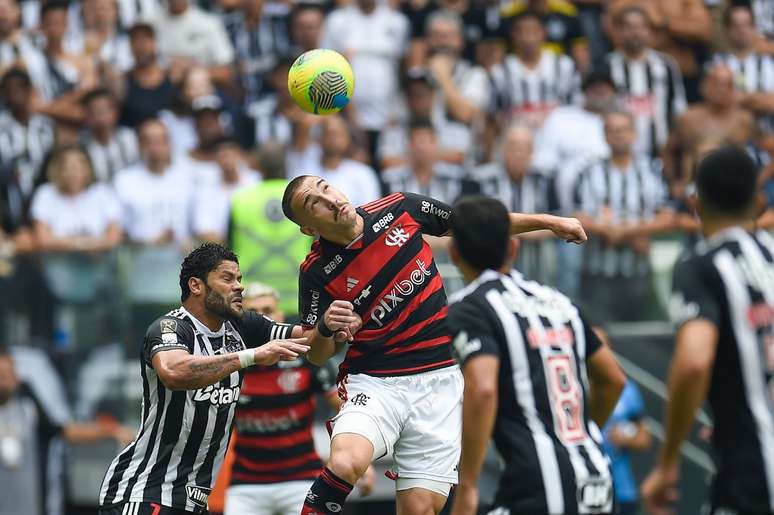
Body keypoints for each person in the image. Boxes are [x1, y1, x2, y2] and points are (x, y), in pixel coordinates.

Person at [281, 175, 587, 515]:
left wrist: (551, 222)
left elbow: (475, 227)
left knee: (420, 509)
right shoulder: (316, 271)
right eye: (314, 203)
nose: (329, 199)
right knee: (345, 462)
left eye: (325, 188)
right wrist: (326, 327)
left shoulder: (400, 208)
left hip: (441, 381)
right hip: (377, 382)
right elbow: (315, 353)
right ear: (309, 229)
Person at [98, 242, 344, 514]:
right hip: (143, 492)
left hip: (193, 502)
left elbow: (311, 341)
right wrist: (250, 356)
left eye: (239, 279)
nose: (239, 286)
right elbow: (173, 372)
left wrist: (329, 326)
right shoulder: (170, 327)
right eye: (227, 278)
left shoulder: (244, 326)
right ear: (196, 285)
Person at [444, 195, 625, 515]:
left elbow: (483, 389)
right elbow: (613, 379)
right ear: (513, 249)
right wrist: (578, 435)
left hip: (536, 487)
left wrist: (468, 484)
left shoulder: (469, 307)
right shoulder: (559, 303)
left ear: (454, 253)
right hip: (596, 481)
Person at [641, 145, 774, 515]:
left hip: (754, 474)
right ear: (758, 202)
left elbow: (693, 362)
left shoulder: (702, 266)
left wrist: (667, 463)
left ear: (696, 203)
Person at [216, 283, 372, 515]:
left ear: (279, 316)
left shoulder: (305, 358)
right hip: (246, 483)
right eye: (254, 313)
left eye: (268, 310)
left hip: (301, 478)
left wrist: (359, 460)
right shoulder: (229, 361)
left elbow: (344, 408)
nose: (262, 317)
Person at [0, 345, 133, 515]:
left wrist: (112, 430)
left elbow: (66, 431)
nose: (4, 380)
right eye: (1, 375)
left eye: (8, 373)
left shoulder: (28, 406)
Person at [572, 111, 673, 321]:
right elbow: (578, 214)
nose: (619, 135)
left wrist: (630, 232)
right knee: (599, 330)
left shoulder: (652, 170)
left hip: (638, 268)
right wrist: (608, 231)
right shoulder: (589, 171)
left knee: (636, 334)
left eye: (623, 130)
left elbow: (667, 216)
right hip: (597, 269)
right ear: (605, 136)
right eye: (613, 131)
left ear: (634, 134)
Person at [229, 142, 312, 319]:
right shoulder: (300, 198)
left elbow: (226, 249)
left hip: (252, 301)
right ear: (286, 163)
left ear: (257, 165)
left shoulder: (241, 199)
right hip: (298, 298)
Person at [471, 124, 559, 285]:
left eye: (524, 148)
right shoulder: (480, 180)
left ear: (532, 152)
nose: (519, 154)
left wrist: (517, 229)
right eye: (513, 147)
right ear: (502, 149)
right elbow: (471, 221)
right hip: (491, 264)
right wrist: (532, 226)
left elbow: (559, 220)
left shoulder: (545, 179)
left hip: (538, 265)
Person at [663, 62, 756, 200]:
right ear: (703, 86)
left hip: (733, 192)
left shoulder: (744, 120)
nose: (721, 89)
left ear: (734, 90)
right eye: (716, 83)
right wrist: (674, 182)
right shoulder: (688, 118)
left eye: (727, 85)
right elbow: (668, 151)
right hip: (691, 193)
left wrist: (757, 183)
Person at [606, 5, 687, 159]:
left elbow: (678, 109)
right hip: (618, 156)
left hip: (660, 154)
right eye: (628, 27)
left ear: (650, 32)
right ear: (618, 32)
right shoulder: (606, 66)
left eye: (641, 27)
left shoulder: (666, 65)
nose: (635, 33)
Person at [489, 11, 581, 130]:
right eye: (521, 32)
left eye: (533, 31)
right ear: (513, 35)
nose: (528, 38)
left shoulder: (564, 66)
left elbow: (575, 106)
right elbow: (493, 115)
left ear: (543, 33)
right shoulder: (500, 71)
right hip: (517, 141)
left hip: (558, 138)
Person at [30, 144, 122, 253]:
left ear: (88, 169)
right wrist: (85, 244)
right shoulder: (46, 194)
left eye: (78, 167)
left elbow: (114, 237)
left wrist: (66, 243)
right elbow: (42, 239)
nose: (73, 173)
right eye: (67, 167)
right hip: (57, 265)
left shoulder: (102, 193)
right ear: (58, 170)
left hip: (97, 264)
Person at [289, 115, 381, 208]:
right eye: (329, 133)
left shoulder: (363, 173)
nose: (333, 139)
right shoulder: (306, 167)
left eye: (338, 134)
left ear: (348, 139)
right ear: (319, 139)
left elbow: (371, 210)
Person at [381, 118, 474, 204]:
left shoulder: (453, 179)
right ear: (409, 145)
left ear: (435, 143)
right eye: (416, 142)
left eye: (424, 141)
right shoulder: (393, 181)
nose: (421, 148)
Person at [601, 378, 651, 515]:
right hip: (588, 482)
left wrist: (624, 438)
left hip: (621, 490)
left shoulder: (629, 390)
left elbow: (644, 439)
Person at [81, 88, 140, 182]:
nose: (100, 117)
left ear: (116, 112)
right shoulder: (82, 146)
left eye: (104, 110)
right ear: (87, 116)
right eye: (94, 111)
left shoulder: (130, 138)